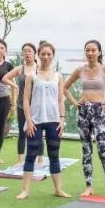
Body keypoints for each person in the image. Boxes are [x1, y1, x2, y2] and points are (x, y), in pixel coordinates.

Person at [63, 40, 105, 198]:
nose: (90, 53)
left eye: (93, 50)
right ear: (85, 52)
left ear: (99, 52)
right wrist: (75, 103)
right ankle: (89, 186)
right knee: (86, 151)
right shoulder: (80, 70)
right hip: (83, 112)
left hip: (99, 112)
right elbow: (64, 87)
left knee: (103, 150)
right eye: (88, 50)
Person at [19, 41, 70, 200]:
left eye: (49, 54)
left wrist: (62, 120)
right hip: (35, 121)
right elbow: (26, 100)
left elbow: (60, 100)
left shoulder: (58, 76)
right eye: (43, 54)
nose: (46, 57)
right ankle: (25, 190)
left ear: (53, 56)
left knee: (54, 155)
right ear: (38, 55)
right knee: (31, 155)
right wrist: (29, 120)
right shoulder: (31, 76)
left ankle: (58, 189)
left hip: (54, 121)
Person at [3, 43, 41, 167]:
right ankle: (20, 159)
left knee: (38, 132)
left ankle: (40, 159)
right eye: (25, 51)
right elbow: (5, 78)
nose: (27, 53)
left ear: (34, 53)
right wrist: (15, 86)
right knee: (22, 132)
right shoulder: (20, 69)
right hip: (22, 105)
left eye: (29, 51)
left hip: (37, 105)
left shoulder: (39, 68)